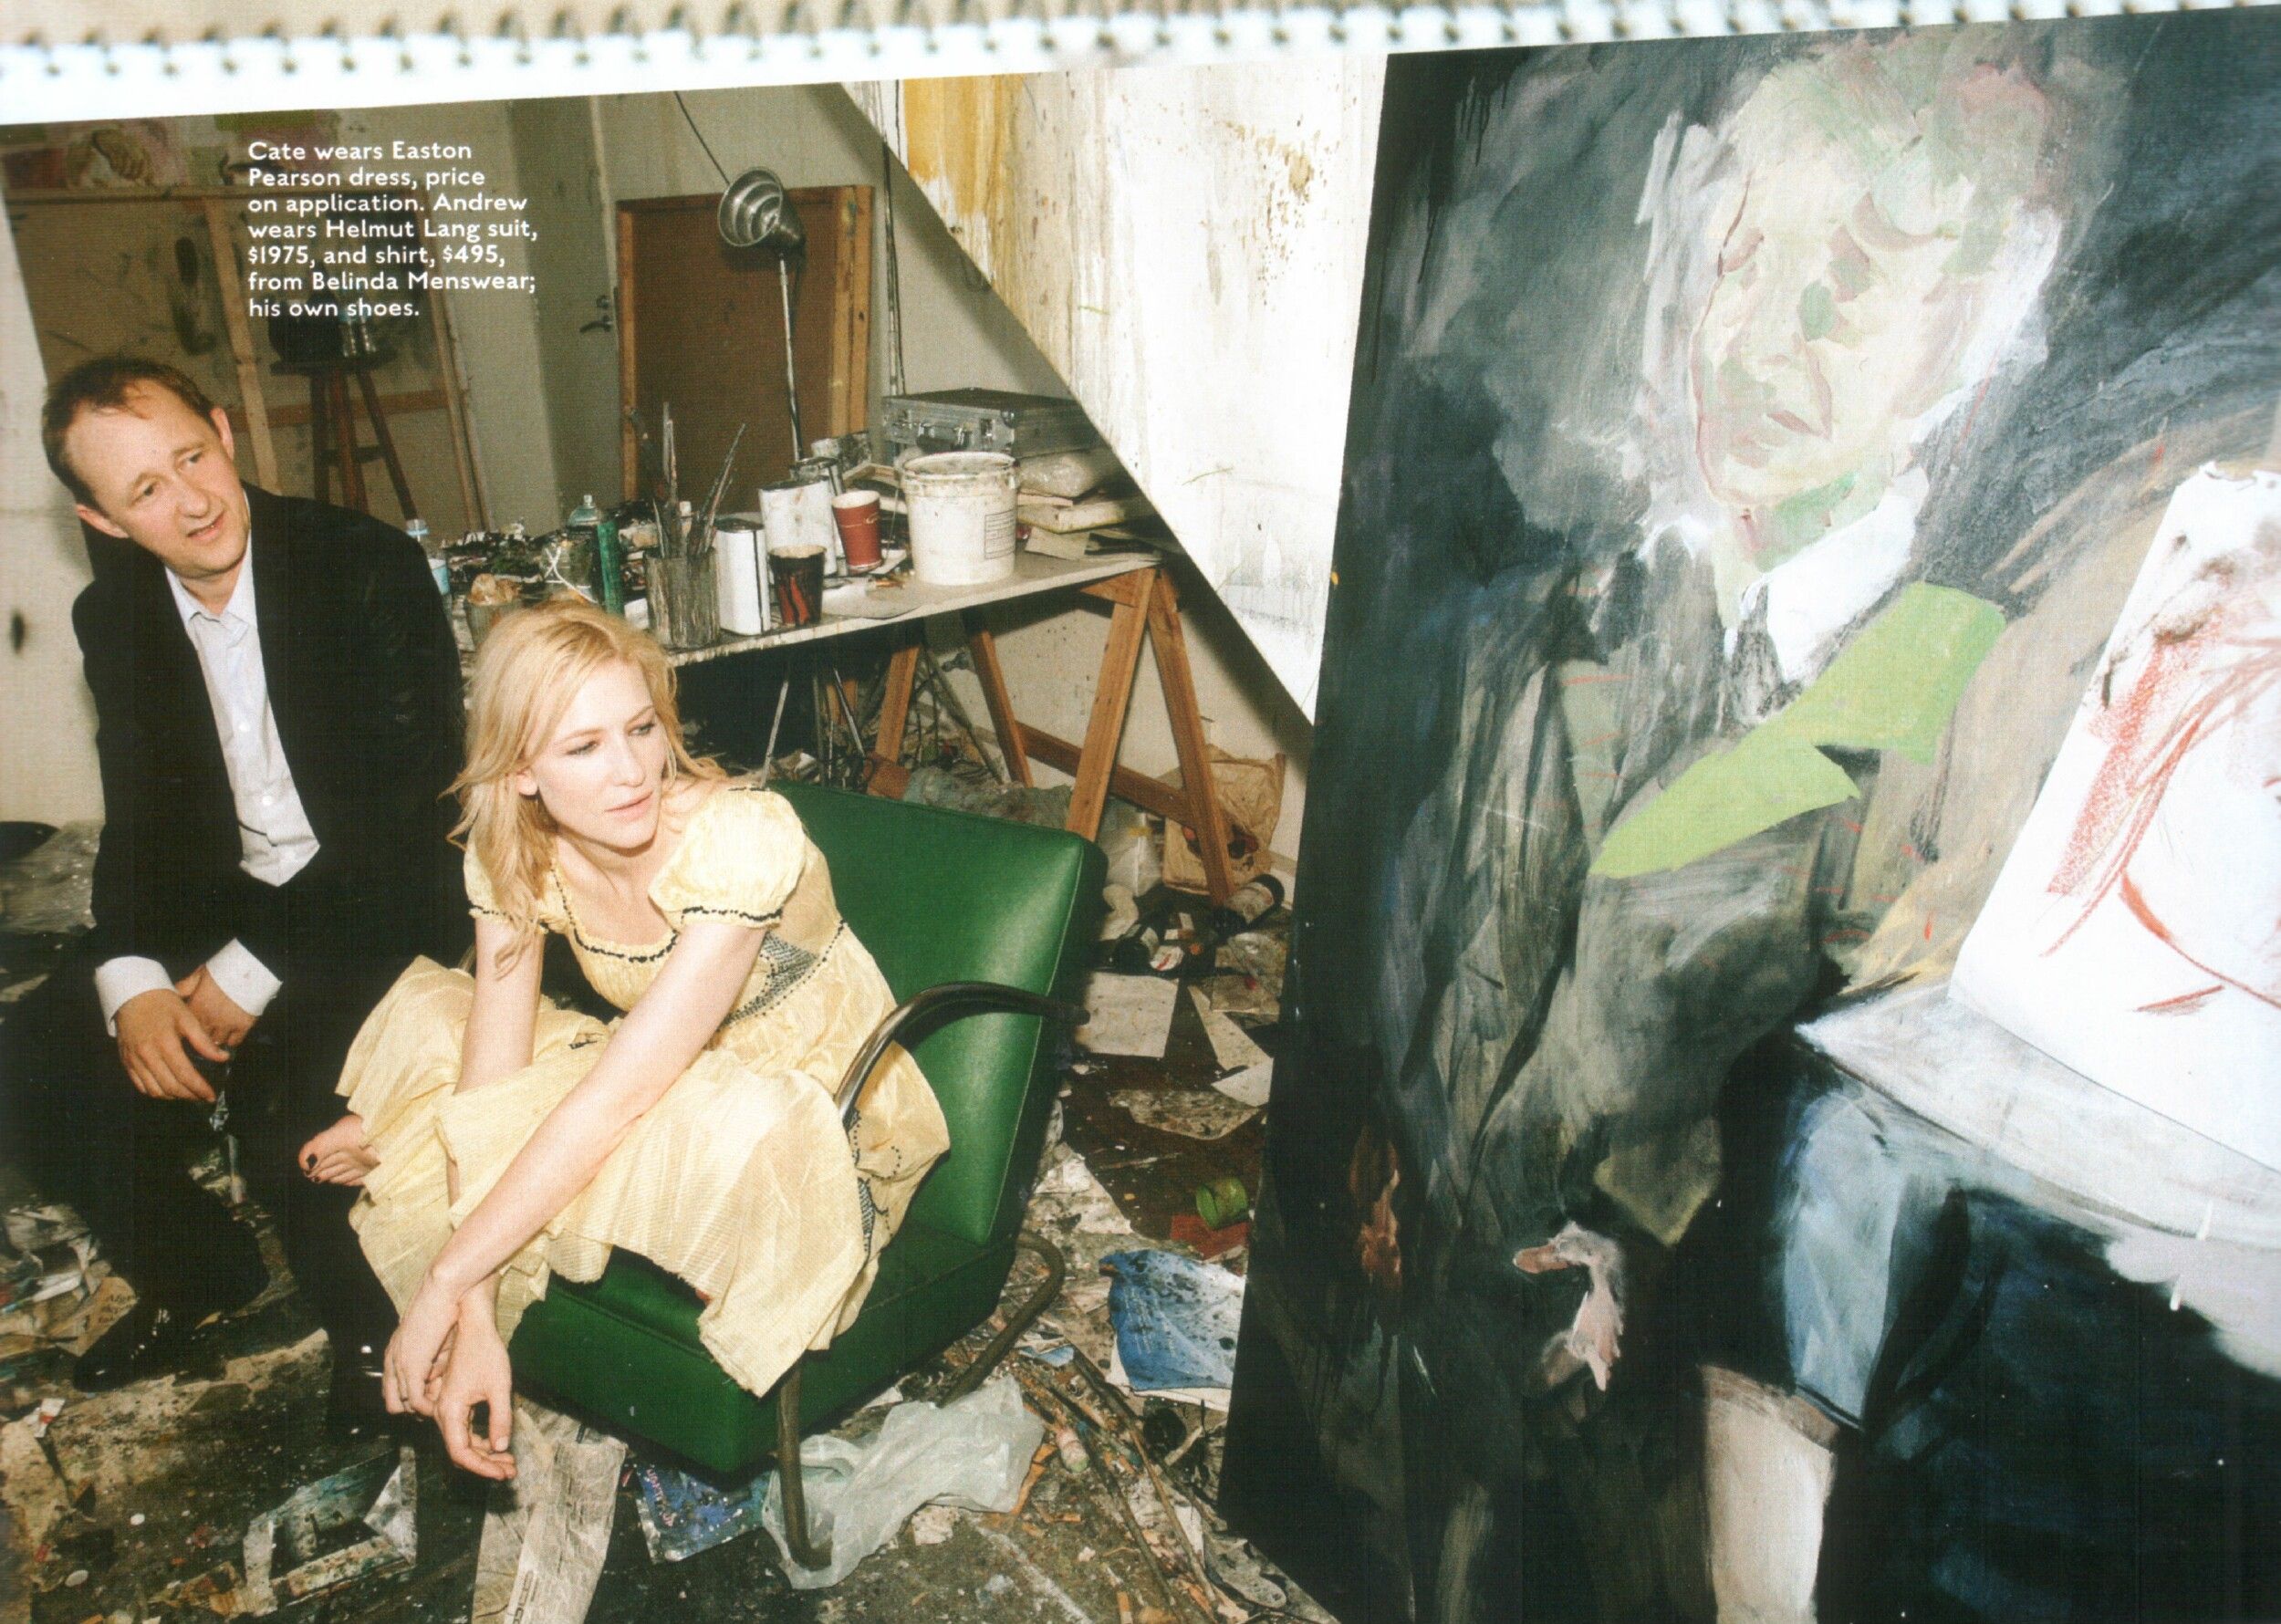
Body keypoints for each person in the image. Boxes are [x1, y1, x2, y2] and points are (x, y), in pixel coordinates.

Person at [309, 599, 948, 1477]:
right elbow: (492, 1083)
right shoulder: (514, 851)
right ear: (520, 771)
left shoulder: (738, 836)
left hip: (811, 1105)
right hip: (659, 1070)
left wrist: (446, 1280)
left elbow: (618, 1098)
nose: (632, 772)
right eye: (584, 747)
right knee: (441, 1025)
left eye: (642, 729)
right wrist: (476, 1309)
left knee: (670, 1122)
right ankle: (429, 1150)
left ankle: (406, 1136)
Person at [1, 356, 466, 1423]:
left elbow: (401, 822)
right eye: (145, 490)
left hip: (382, 893)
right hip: (234, 898)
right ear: (103, 519)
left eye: (192, 457)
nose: (193, 501)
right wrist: (131, 979)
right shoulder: (113, 614)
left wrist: (248, 974)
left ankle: (373, 1335)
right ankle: (199, 1273)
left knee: (281, 1096)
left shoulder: (363, 566)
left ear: (222, 429)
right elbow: (139, 821)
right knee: (37, 1058)